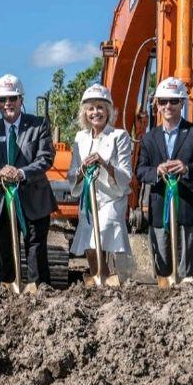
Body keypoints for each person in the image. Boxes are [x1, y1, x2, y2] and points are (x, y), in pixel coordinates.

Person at [135, 76, 193, 281]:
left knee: (187, 269)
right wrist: (157, 171)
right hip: (160, 207)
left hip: (189, 207)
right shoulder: (149, 138)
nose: (168, 106)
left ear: (182, 103)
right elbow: (141, 170)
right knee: (162, 263)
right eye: (163, 101)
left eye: (173, 101)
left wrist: (187, 168)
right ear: (157, 105)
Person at [0, 73, 57, 287]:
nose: (7, 104)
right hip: (1, 203)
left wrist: (20, 173)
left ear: (21, 99)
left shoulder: (39, 125)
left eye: (12, 98)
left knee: (35, 251)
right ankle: (6, 294)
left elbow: (46, 158)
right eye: (2, 100)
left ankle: (39, 293)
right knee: (5, 253)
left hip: (34, 200)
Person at [66, 84, 132, 275]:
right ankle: (99, 275)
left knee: (102, 231)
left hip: (111, 198)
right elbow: (72, 174)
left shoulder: (119, 136)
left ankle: (111, 274)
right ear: (85, 113)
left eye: (100, 107)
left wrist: (104, 164)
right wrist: (82, 169)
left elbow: (126, 175)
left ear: (108, 111)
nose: (96, 112)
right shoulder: (80, 138)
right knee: (88, 238)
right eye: (91, 108)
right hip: (88, 199)